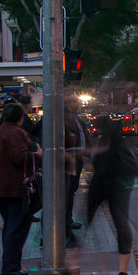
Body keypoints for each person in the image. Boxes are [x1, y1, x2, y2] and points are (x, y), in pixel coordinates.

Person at [0, 102, 41, 275]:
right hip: (13, 186)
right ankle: (11, 266)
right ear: (20, 118)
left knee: (10, 225)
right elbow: (19, 157)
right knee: (17, 225)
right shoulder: (15, 133)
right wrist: (37, 155)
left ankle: (10, 264)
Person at [86, 115, 138, 275]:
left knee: (115, 224)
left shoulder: (106, 143)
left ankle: (121, 272)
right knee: (121, 226)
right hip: (117, 188)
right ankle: (122, 272)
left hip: (105, 186)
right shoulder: (117, 143)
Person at [64, 95, 88, 246]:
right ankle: (65, 231)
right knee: (66, 194)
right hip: (67, 161)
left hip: (75, 159)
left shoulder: (75, 117)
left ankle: (68, 222)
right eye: (77, 102)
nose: (80, 104)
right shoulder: (65, 118)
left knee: (70, 192)